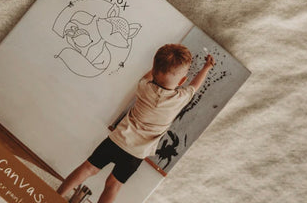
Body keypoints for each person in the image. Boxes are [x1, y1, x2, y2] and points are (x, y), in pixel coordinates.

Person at [57, 43, 216, 202]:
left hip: (117, 140)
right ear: (182, 80)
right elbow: (194, 86)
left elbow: (148, 76)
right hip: (136, 153)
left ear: (154, 70)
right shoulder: (180, 98)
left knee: (88, 168)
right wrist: (206, 67)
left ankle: (55, 198)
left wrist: (157, 68)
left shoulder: (144, 86)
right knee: (113, 185)